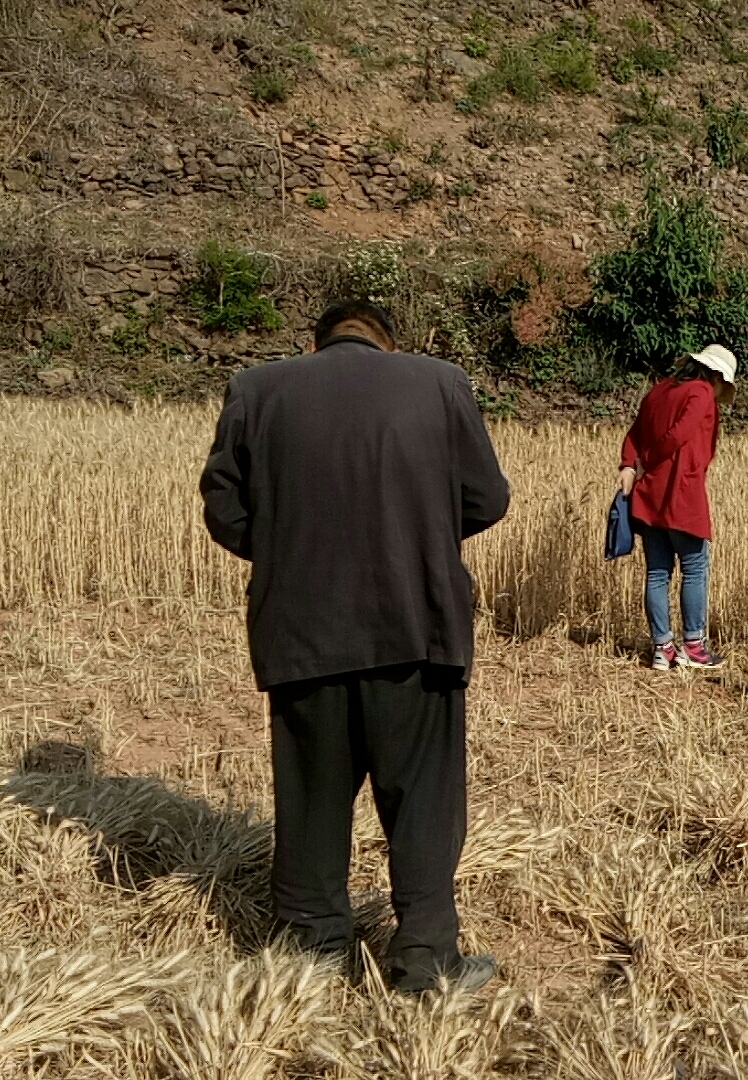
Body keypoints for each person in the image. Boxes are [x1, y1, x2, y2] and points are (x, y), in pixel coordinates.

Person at [199, 298, 511, 992]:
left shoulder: (258, 388)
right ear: (388, 342)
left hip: (302, 631)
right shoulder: (439, 382)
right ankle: (425, 960)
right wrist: (419, 533)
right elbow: (487, 498)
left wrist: (289, 551)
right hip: (416, 625)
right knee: (423, 800)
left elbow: (224, 508)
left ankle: (312, 950)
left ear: (315, 344)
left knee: (312, 795)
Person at [619, 344, 736, 671]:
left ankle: (662, 649)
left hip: (649, 495)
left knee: (657, 572)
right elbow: (679, 434)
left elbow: (634, 433)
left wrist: (630, 464)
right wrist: (648, 459)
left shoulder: (659, 390)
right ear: (716, 377)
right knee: (695, 567)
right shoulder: (701, 392)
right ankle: (694, 648)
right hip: (681, 493)